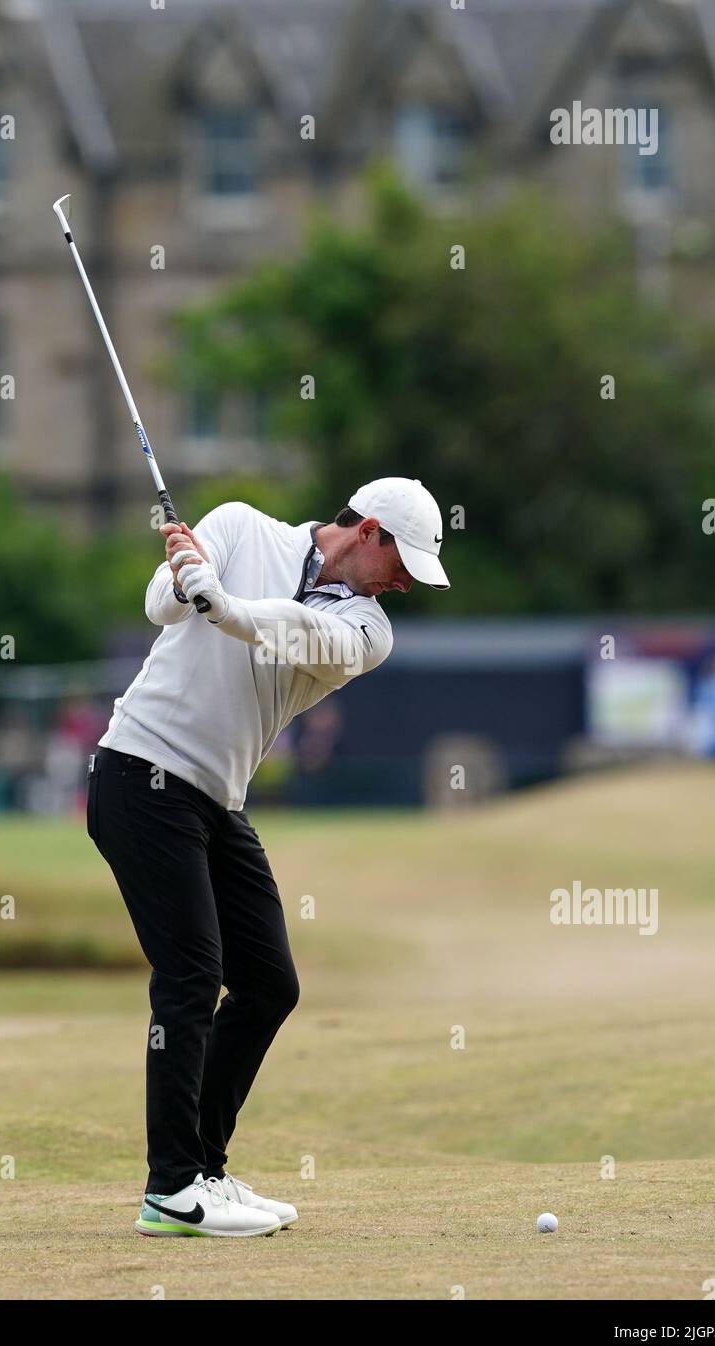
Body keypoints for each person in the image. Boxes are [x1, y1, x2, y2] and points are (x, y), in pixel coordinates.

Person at [87, 477, 449, 1237]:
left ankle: (205, 1171)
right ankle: (171, 1189)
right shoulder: (241, 525)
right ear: (370, 530)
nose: (405, 582)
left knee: (269, 984)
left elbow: (286, 629)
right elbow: (161, 603)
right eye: (403, 562)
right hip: (140, 775)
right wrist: (188, 576)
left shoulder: (368, 631)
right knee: (190, 971)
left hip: (215, 801)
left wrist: (219, 600)